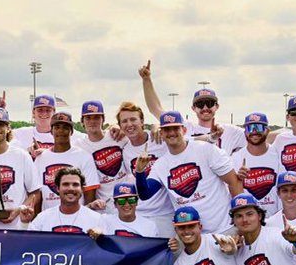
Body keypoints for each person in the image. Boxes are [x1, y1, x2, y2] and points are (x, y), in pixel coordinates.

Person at [133, 111, 243, 234]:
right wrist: (140, 172)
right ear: (162, 133)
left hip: (224, 227)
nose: (172, 133)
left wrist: (239, 218)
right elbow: (145, 194)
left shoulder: (205, 149)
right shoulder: (161, 165)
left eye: (176, 128)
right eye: (167, 129)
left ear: (184, 130)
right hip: (192, 236)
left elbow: (234, 181)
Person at [139, 60, 244, 150]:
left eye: (210, 103)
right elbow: (155, 109)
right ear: (193, 108)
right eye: (200, 104)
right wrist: (146, 80)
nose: (205, 108)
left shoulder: (230, 131)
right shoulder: (184, 127)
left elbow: (257, 136)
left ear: (217, 106)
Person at [114, 102, 174, 237]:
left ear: (142, 121)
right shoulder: (125, 148)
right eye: (124, 121)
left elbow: (186, 140)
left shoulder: (158, 138)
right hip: (140, 213)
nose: (129, 124)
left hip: (165, 213)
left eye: (133, 119)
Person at [33, 112, 100, 210]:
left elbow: (89, 193)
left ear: (71, 132)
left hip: (76, 217)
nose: (61, 131)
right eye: (57, 127)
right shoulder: (41, 158)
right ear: (51, 131)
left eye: (65, 128)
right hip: (49, 218)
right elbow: (37, 194)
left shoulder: (84, 156)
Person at [231, 112, 283, 219]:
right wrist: (238, 180)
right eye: (250, 128)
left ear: (267, 130)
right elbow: (233, 195)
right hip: (249, 221)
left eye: (259, 127)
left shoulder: (277, 154)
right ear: (245, 132)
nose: (254, 132)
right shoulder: (235, 158)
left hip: (276, 219)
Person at [29, 168, 102, 233]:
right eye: (66, 184)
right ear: (57, 188)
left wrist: (101, 237)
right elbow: (28, 242)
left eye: (75, 185)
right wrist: (24, 223)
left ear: (82, 189)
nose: (71, 188)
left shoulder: (96, 220)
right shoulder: (43, 218)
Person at [92, 181, 158, 238]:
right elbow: (83, 215)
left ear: (136, 202)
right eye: (121, 201)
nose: (126, 204)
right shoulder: (104, 221)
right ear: (115, 204)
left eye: (131, 200)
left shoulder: (149, 226)